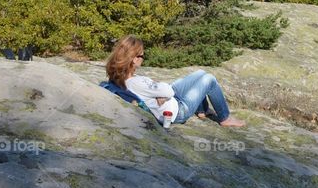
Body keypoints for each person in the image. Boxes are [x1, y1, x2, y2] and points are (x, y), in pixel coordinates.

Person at [105, 35, 245, 127]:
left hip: (169, 98)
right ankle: (225, 118)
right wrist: (161, 91)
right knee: (209, 79)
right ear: (134, 59)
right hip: (178, 110)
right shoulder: (135, 83)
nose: (143, 58)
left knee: (200, 73)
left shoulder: (123, 78)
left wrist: (160, 92)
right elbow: (168, 91)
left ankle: (202, 110)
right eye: (142, 56)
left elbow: (162, 91)